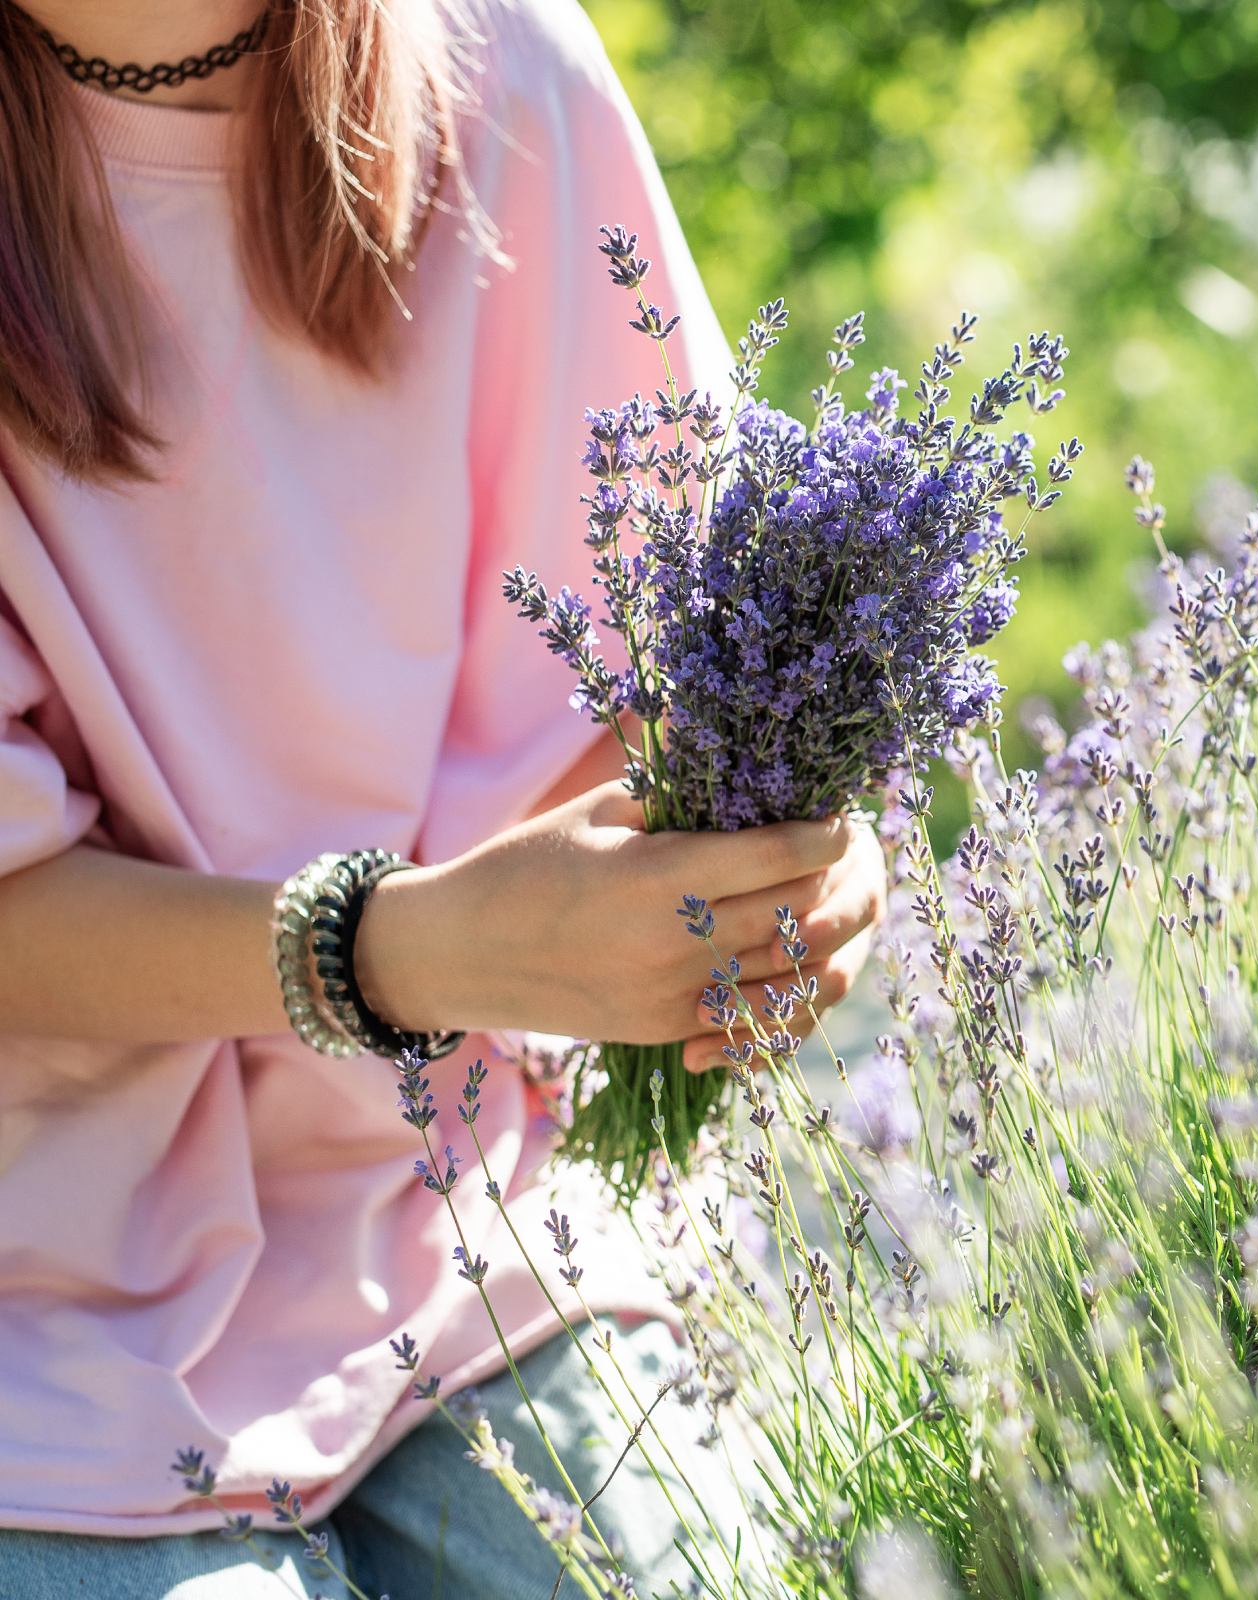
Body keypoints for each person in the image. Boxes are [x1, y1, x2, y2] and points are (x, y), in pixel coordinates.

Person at [0, 0, 885, 1593]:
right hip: (30, 1316)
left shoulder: (505, 62)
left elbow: (666, 659)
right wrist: (412, 951)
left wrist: (782, 864)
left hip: (466, 1226)